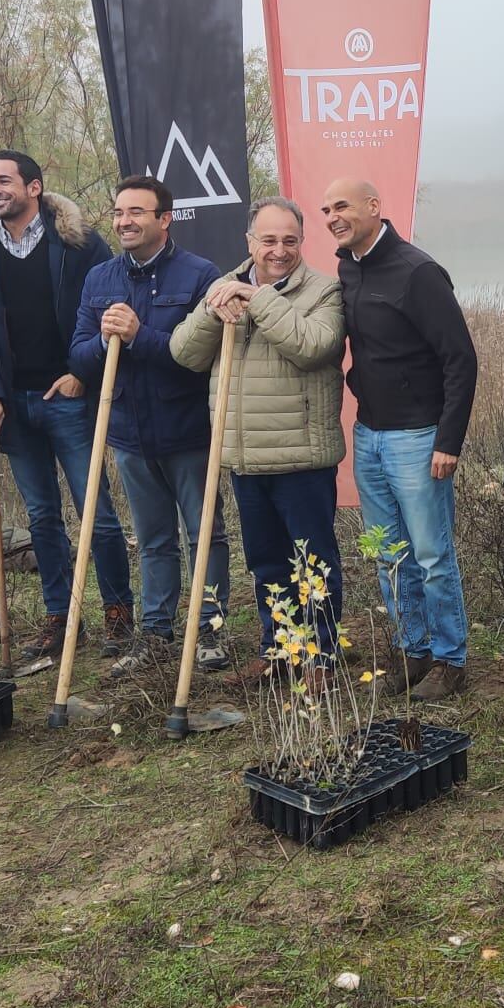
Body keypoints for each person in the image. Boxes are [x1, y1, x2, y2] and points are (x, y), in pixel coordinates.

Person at [0, 150, 135, 670]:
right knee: (42, 518)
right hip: (12, 406)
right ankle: (60, 617)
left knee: (96, 513)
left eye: (4, 180)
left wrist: (84, 373)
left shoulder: (78, 244)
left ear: (34, 187)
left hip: (70, 398)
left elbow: (107, 310)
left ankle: (119, 612)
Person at [170, 196, 345, 678]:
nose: (279, 250)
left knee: (314, 563)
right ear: (250, 242)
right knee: (266, 564)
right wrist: (213, 309)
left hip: (302, 457)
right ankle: (281, 651)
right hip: (246, 457)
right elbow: (183, 353)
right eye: (268, 240)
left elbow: (313, 347)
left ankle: (321, 656)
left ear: (302, 242)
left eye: (290, 240)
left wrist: (258, 299)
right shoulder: (225, 287)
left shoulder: (324, 292)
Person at [321, 178, 479, 701]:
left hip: (418, 436)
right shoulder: (348, 266)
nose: (332, 216)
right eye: (326, 209)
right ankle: (413, 650)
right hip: (368, 434)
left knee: (432, 554)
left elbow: (461, 359)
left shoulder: (418, 272)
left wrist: (448, 440)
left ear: (374, 205)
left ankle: (451, 660)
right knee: (387, 553)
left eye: (341, 205)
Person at [68, 176, 229, 675]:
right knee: (154, 538)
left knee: (204, 533)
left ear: (165, 218)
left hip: (187, 432)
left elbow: (202, 357)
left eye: (136, 212)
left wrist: (141, 336)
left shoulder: (201, 276)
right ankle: (156, 633)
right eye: (118, 212)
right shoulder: (100, 279)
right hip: (128, 436)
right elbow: (79, 358)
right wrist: (103, 340)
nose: (124, 221)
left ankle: (210, 631)